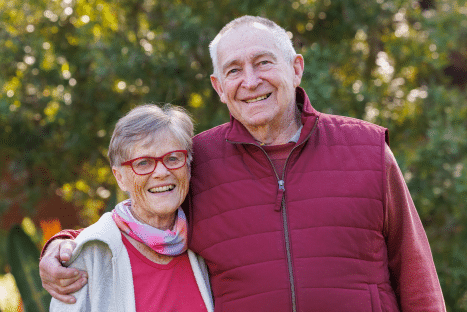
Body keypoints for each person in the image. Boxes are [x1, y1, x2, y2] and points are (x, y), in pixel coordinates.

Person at [40, 16, 445, 311]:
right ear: (219, 87)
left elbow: (415, 271)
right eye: (234, 70)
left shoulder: (366, 148)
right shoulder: (198, 160)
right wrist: (64, 244)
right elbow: (145, 218)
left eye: (264, 62)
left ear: (296, 67)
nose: (250, 81)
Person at [48, 104, 214, 311]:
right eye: (143, 163)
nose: (161, 172)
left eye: (173, 158)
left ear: (188, 168)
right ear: (120, 177)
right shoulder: (89, 255)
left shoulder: (207, 240)